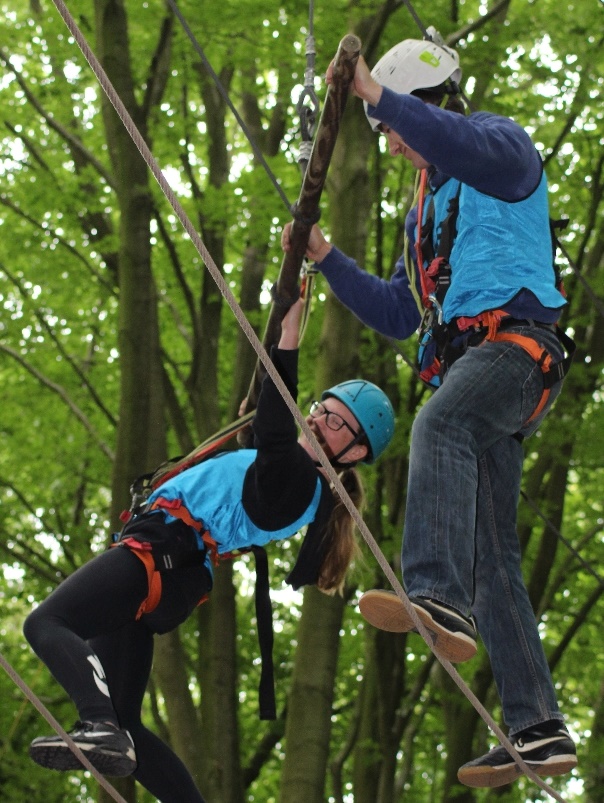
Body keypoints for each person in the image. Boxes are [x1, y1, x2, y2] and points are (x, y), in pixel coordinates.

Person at [282, 31, 577, 789]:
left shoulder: (499, 147)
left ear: (425, 105)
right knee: (495, 556)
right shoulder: (424, 216)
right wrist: (323, 255)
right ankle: (537, 723)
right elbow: (400, 311)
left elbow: (466, 148)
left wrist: (378, 99)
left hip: (515, 349)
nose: (398, 150)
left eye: (399, 131)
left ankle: (435, 595)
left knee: (438, 423)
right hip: (476, 369)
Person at [23, 297, 395, 803]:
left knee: (45, 623)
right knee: (129, 722)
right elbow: (269, 433)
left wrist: (288, 341)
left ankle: (95, 721)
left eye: (334, 423)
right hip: (173, 565)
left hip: (162, 551)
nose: (318, 420)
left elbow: (275, 432)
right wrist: (258, 421)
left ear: (353, 453)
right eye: (320, 409)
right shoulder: (280, 470)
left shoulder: (300, 484)